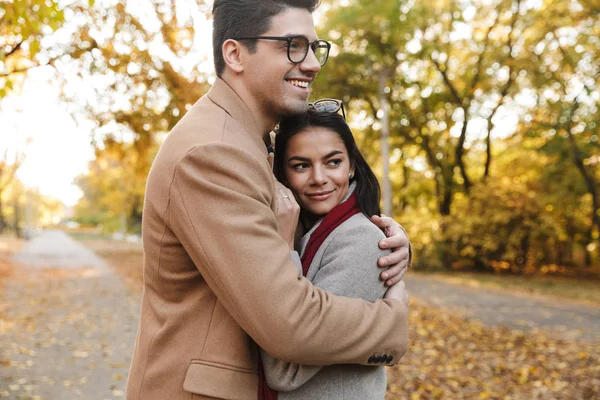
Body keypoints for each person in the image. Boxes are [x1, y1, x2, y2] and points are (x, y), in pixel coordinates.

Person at [126, 1, 411, 399]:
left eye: (314, 47)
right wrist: (393, 321)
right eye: (292, 46)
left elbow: (297, 230)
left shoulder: (249, 142)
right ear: (235, 54)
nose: (311, 63)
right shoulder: (214, 154)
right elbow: (290, 323)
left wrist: (382, 237)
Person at [259, 105, 408, 399]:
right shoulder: (306, 229)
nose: (319, 178)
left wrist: (283, 248)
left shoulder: (362, 242)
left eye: (333, 162)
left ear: (351, 165)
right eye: (301, 165)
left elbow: (285, 371)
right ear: (283, 174)